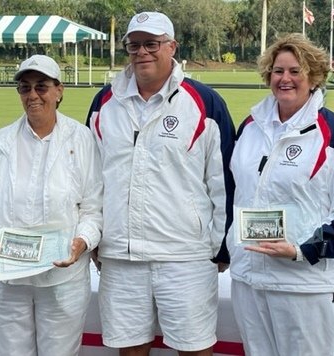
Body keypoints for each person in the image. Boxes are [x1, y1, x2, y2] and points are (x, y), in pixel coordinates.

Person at [86, 11, 236, 356]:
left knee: (195, 349)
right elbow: (91, 179)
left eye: (151, 44)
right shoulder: (104, 102)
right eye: (134, 45)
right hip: (121, 257)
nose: (142, 52)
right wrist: (94, 236)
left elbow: (223, 180)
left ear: (172, 47)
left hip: (186, 257)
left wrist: (221, 246)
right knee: (130, 350)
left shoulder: (204, 102)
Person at [220, 33, 334, 355]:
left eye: (294, 71)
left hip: (304, 285)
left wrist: (301, 249)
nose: (284, 79)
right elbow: (234, 193)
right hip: (249, 278)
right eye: (277, 71)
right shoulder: (250, 127)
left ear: (313, 77)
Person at [0, 54, 102, 356]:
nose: (33, 95)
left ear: (59, 90)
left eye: (41, 87)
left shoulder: (82, 139)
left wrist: (83, 241)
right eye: (25, 88)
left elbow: (93, 205)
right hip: (10, 277)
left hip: (63, 276)